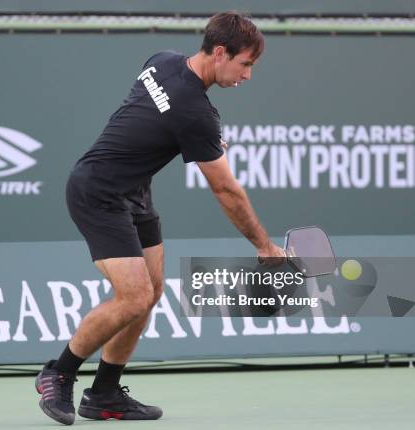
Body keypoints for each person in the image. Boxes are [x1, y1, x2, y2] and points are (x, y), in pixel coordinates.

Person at [35, 11, 285, 425]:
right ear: (220, 53)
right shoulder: (197, 115)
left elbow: (154, 109)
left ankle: (105, 393)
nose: (248, 76)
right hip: (97, 191)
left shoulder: (163, 60)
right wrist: (264, 246)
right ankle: (57, 374)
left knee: (150, 293)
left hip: (135, 192)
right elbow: (226, 190)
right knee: (132, 296)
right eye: (245, 64)